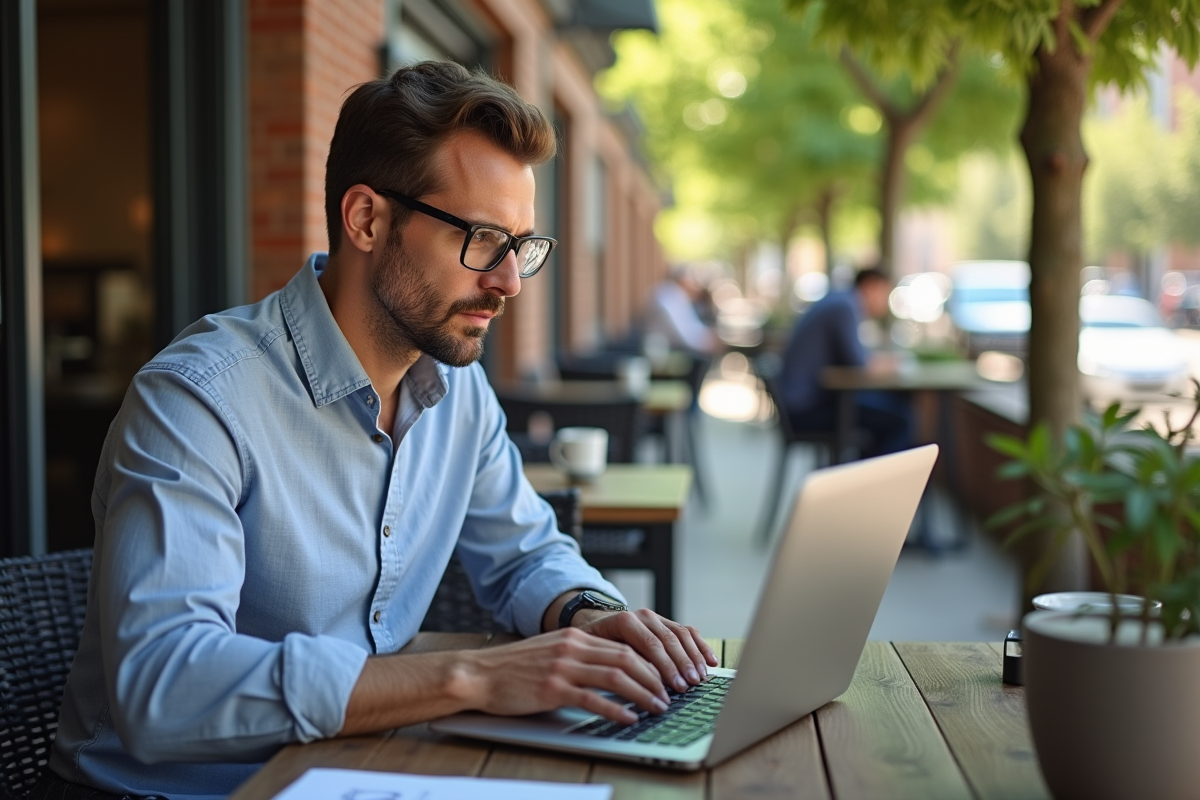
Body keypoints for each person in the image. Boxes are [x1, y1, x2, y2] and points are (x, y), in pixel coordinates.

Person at [36, 61, 716, 800]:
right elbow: (163, 687)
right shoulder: (198, 400)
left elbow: (525, 556)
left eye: (522, 246)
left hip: (356, 769)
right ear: (367, 220)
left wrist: (595, 615)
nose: (510, 282)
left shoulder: (459, 390)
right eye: (484, 238)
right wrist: (468, 676)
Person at [778, 268, 911, 458]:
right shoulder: (845, 306)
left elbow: (855, 359)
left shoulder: (840, 300)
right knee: (900, 420)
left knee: (891, 409)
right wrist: (891, 364)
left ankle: (865, 479)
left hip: (807, 400)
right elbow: (859, 364)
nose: (885, 302)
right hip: (806, 408)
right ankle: (876, 483)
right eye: (884, 293)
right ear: (871, 285)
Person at [644, 267, 721, 356]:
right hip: (662, 353)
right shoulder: (668, 296)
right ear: (682, 280)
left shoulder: (677, 295)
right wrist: (707, 342)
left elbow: (692, 326)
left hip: (670, 350)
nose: (696, 286)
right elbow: (683, 335)